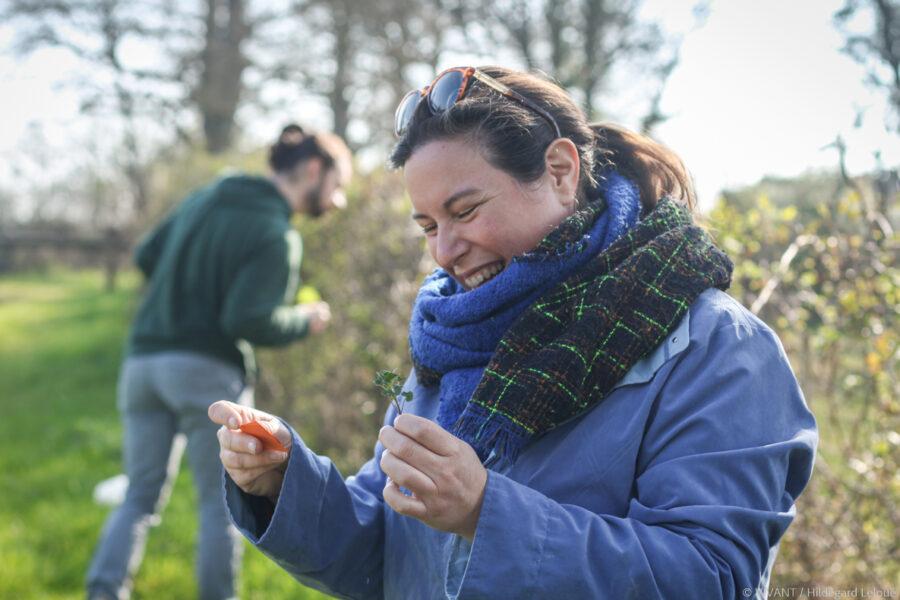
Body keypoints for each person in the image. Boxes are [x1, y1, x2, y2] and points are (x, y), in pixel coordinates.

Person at [209, 67, 818, 599]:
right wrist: (286, 484)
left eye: (465, 210)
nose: (444, 252)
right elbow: (387, 553)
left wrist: (486, 513)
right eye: (426, 226)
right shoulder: (457, 334)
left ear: (559, 170)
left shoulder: (719, 348)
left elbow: (713, 578)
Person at [86, 124, 352, 600]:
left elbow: (147, 254)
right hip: (206, 374)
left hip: (142, 364)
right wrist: (305, 321)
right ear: (314, 170)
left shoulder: (206, 197)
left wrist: (186, 288)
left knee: (139, 496)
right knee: (221, 504)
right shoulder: (276, 234)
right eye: (337, 186)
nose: (337, 201)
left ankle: (103, 592)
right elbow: (248, 319)